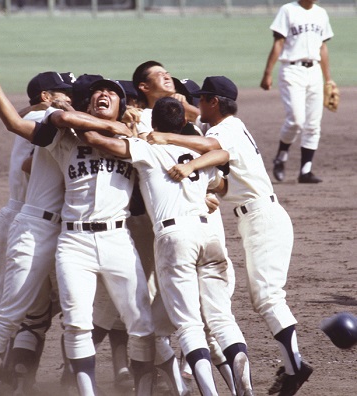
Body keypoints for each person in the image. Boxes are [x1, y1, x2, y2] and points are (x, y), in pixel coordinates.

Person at [0, 58, 156, 396]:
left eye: (112, 93)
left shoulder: (134, 142)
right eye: (96, 92)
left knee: (138, 320)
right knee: (40, 314)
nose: (103, 94)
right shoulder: (60, 132)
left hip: (111, 236)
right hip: (59, 233)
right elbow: (27, 126)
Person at [148, 76, 314, 396]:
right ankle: (291, 365)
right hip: (258, 216)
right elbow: (221, 178)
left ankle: (294, 367)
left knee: (267, 297)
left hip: (262, 218)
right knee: (262, 298)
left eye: (201, 99)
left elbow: (212, 147)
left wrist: (164, 137)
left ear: (214, 102)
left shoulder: (221, 131)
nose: (196, 104)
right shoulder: (232, 127)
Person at [79, 96, 255, 396]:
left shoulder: (148, 151)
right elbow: (221, 160)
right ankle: (244, 382)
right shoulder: (193, 149)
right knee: (222, 321)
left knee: (189, 327)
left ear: (156, 124)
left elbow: (98, 141)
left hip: (176, 239)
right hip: (209, 238)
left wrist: (84, 119)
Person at [260, 0, 335, 184]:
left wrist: (329, 79)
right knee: (296, 120)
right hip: (292, 70)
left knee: (313, 124)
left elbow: (323, 48)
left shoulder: (321, 13)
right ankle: (281, 156)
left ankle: (306, 170)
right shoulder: (288, 10)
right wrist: (267, 73)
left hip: (315, 70)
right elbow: (278, 42)